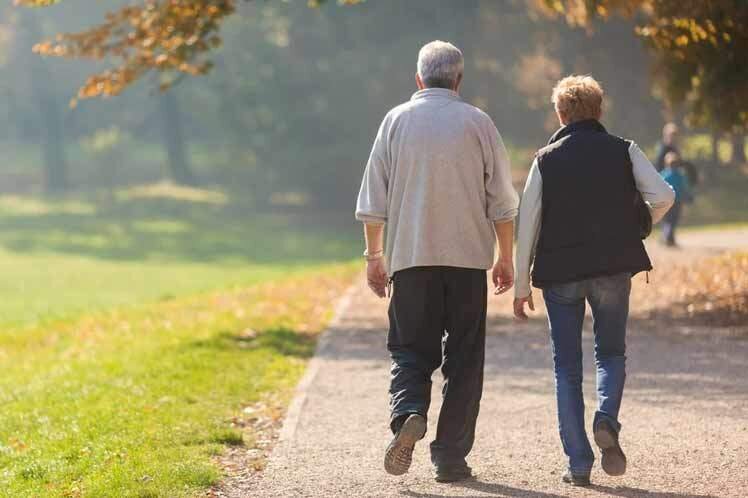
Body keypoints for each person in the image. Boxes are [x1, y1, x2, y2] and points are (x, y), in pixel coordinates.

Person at [355, 40, 519, 483]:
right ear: (459, 80)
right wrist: (506, 258)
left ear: (418, 79)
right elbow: (502, 202)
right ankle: (449, 458)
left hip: (411, 260)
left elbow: (374, 200)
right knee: (465, 360)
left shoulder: (396, 121)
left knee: (410, 349)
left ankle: (408, 412)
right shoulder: (479, 122)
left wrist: (375, 256)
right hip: (467, 264)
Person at [513, 75, 675, 487]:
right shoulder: (624, 150)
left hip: (561, 275)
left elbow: (527, 222)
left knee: (566, 369)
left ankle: (579, 464)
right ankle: (606, 419)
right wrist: (639, 224)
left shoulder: (545, 159)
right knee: (611, 354)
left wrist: (520, 285)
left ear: (560, 114)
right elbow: (664, 195)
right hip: (613, 269)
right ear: (599, 111)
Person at [660, 151, 694, 247]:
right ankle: (669, 238)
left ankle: (667, 237)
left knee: (667, 220)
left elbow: (658, 187)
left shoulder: (663, 175)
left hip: (666, 201)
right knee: (673, 220)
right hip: (677, 201)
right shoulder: (680, 175)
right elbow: (685, 187)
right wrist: (689, 197)